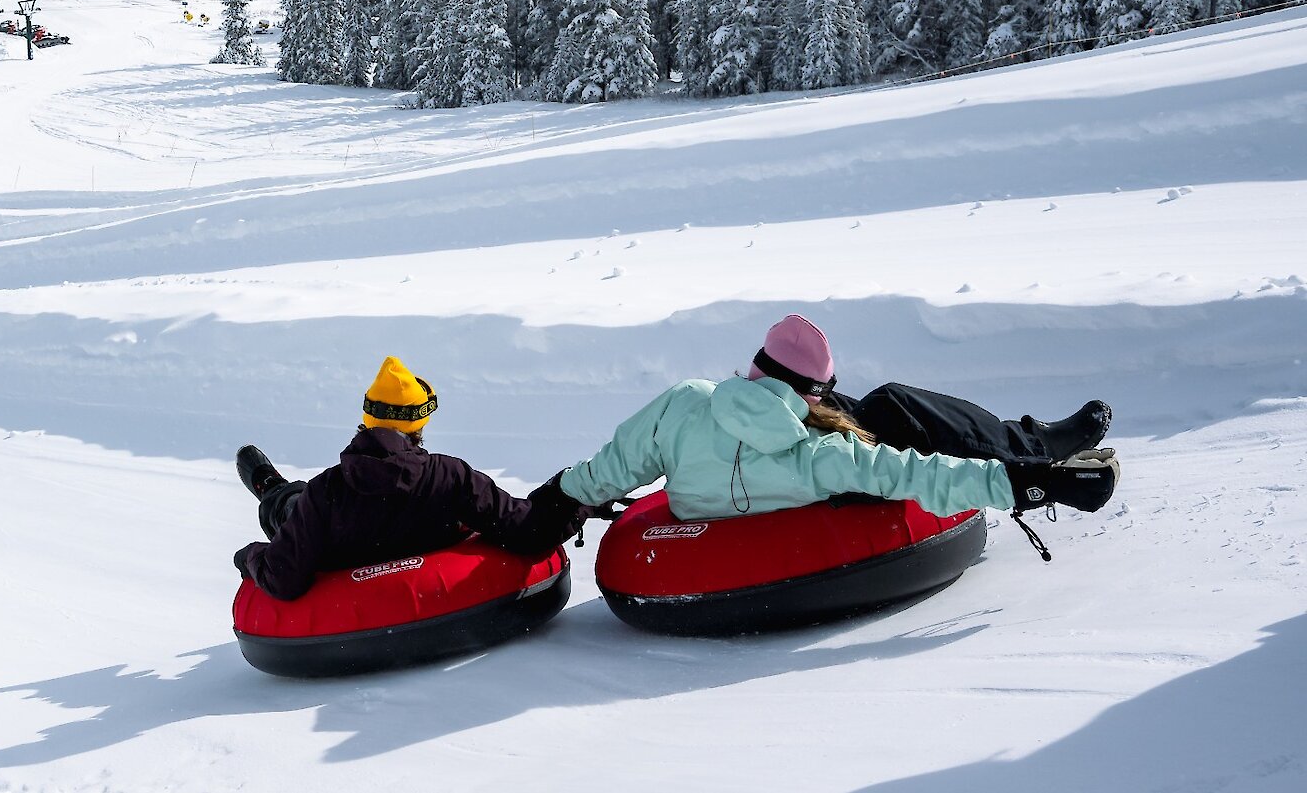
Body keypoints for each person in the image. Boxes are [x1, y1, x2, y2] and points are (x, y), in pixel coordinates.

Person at [535, 314, 1120, 540]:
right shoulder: (819, 456)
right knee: (894, 407)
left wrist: (551, 501)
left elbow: (609, 469)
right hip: (820, 483)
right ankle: (1031, 445)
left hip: (720, 474)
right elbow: (921, 476)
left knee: (877, 409)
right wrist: (1035, 484)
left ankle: (1026, 443)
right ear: (812, 394)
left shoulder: (682, 405)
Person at [233, 357, 585, 601]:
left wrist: (250, 555)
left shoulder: (327, 491)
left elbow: (282, 577)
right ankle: (275, 490)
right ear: (418, 426)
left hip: (323, 512)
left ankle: (273, 490)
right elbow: (526, 529)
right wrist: (576, 497)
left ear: (368, 420)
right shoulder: (450, 477)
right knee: (298, 505)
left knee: (292, 507)